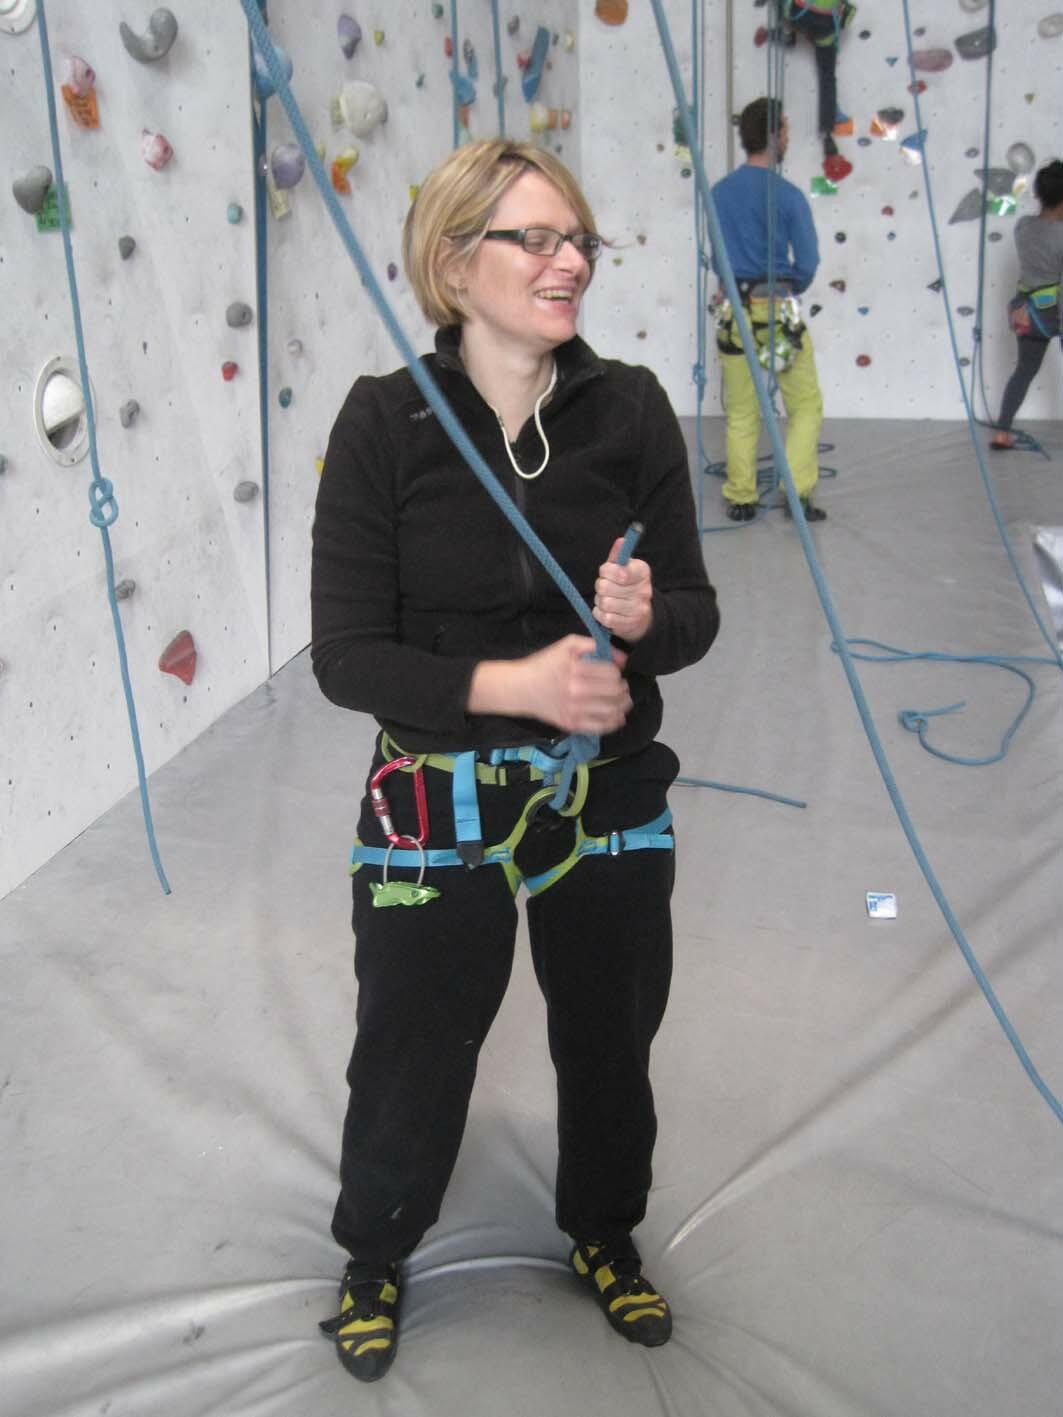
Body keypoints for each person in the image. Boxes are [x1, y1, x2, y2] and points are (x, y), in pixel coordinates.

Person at [310, 137, 719, 1383]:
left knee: (611, 1036)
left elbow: (693, 616)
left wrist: (646, 619)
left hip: (608, 795)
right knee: (410, 1042)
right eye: (534, 239)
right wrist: (516, 687)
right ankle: (375, 1248)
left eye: (577, 238)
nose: (569, 261)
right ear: (453, 264)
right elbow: (347, 657)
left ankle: (604, 1229)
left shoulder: (629, 409)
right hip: (436, 796)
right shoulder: (385, 421)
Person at [711, 97, 827, 523]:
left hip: (736, 312)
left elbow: (718, 256)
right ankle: (795, 494)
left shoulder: (719, 193)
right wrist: (791, 286)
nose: (788, 138)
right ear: (776, 135)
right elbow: (808, 262)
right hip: (776, 312)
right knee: (805, 405)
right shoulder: (789, 196)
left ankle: (741, 497)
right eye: (787, 131)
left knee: (742, 410)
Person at [991, 159, 1063, 451]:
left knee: (1024, 370)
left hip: (1025, 310)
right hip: (1055, 310)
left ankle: (1002, 431)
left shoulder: (1023, 226)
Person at [782, 0, 857, 159]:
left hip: (799, 18)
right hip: (825, 31)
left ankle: (788, 33)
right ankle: (827, 133)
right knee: (827, 77)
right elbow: (846, 15)